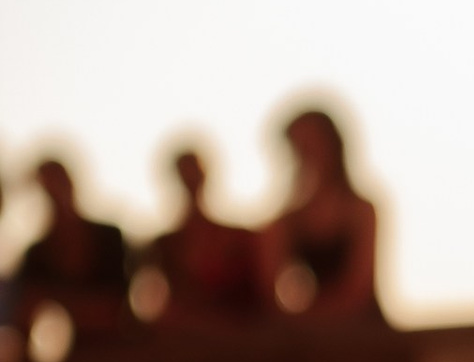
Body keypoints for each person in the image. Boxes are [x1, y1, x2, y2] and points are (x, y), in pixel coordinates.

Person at [260, 105, 381, 319]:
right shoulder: (288, 221)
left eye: (312, 145)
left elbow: (358, 291)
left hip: (361, 334)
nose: (307, 155)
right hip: (311, 338)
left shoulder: (361, 211)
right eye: (300, 147)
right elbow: (271, 289)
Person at [10, 154, 135, 347]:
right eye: (47, 190)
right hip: (62, 357)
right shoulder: (36, 254)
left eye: (57, 185)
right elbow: (26, 315)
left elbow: (116, 305)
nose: (55, 196)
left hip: (114, 349)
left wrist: (59, 301)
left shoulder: (109, 238)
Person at [148, 142, 264, 325]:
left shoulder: (239, 237)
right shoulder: (164, 244)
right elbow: (156, 300)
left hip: (234, 330)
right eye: (185, 173)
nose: (190, 179)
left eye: (193, 172)